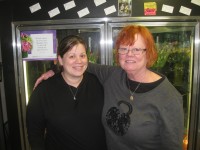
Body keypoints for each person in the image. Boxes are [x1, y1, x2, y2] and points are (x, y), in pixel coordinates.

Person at [34, 25, 184, 150]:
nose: (129, 54)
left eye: (137, 49)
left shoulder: (168, 96)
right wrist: (54, 70)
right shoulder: (114, 75)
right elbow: (79, 64)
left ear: (148, 52)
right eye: (123, 49)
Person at [26, 35, 107, 150]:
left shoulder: (97, 83)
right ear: (60, 60)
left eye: (82, 55)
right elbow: (35, 134)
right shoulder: (43, 91)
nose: (79, 61)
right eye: (72, 56)